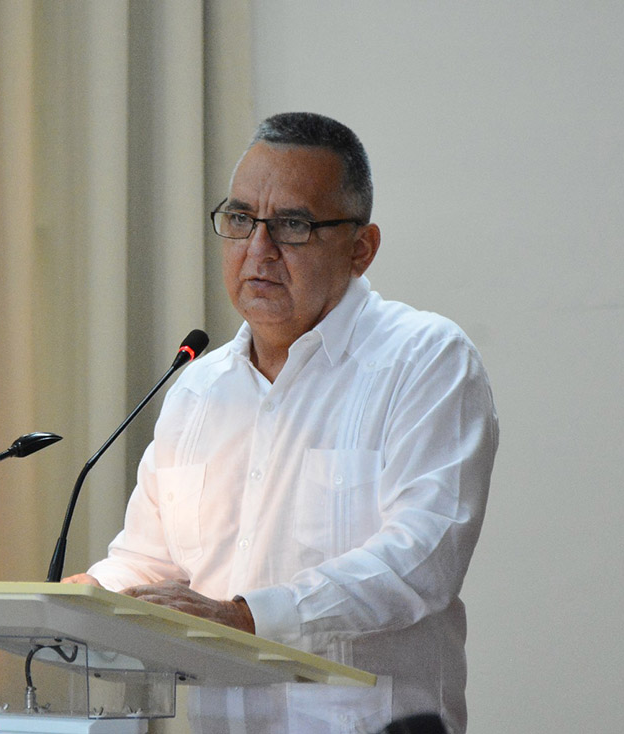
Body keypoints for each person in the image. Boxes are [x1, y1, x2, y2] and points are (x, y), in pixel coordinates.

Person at [63, 112, 498, 734]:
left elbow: (420, 557)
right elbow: (152, 564)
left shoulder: (424, 360)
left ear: (361, 249)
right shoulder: (197, 391)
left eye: (292, 226)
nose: (258, 250)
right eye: (241, 219)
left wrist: (249, 617)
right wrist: (86, 597)